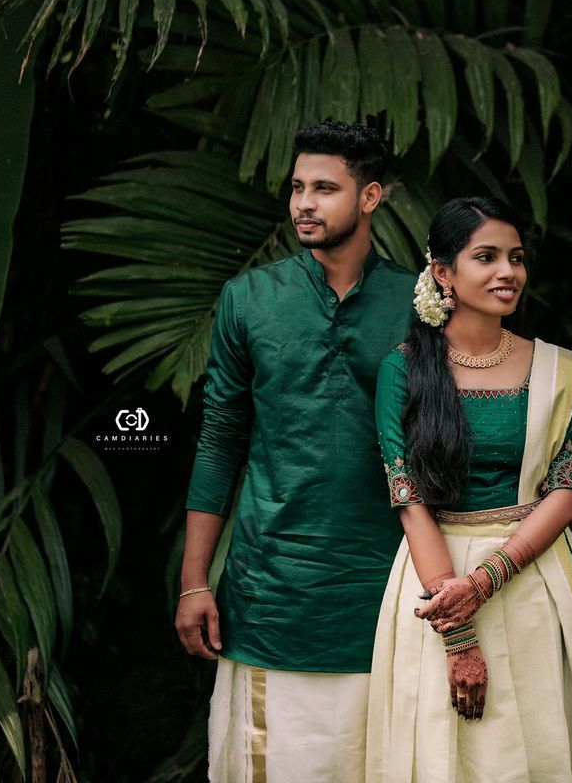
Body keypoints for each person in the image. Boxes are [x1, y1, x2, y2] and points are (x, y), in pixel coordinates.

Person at [367, 196, 572, 782]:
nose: (507, 272)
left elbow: (565, 491)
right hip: (433, 587)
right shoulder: (406, 370)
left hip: (533, 576)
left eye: (515, 258)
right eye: (486, 256)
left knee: (539, 749)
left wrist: (488, 578)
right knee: (443, 754)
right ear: (443, 272)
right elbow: (410, 502)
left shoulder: (556, 369)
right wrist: (459, 630)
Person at [175, 121, 416, 783]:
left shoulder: (420, 305)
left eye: (325, 189)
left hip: (389, 592)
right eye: (298, 188)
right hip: (269, 594)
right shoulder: (248, 300)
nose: (305, 203)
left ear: (370, 197)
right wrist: (196, 580)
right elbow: (221, 441)